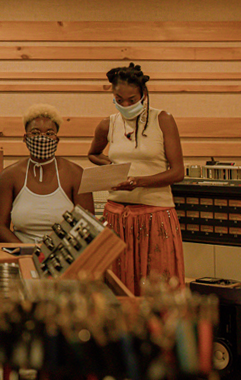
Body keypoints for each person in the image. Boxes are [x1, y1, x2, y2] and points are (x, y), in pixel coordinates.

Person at [87, 62, 185, 296]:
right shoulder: (107, 123)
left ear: (144, 95)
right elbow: (93, 154)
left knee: (158, 288)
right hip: (116, 217)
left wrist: (137, 181)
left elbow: (178, 172)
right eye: (119, 99)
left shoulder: (163, 119)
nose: (126, 105)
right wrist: (111, 167)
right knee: (118, 287)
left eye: (132, 100)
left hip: (155, 214)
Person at [0, 104, 94, 244]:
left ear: (57, 140)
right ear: (25, 138)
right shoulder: (8, 176)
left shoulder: (76, 174)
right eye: (35, 133)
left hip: (64, 255)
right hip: (21, 252)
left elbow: (87, 224)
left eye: (49, 133)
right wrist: (25, 251)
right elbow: (0, 227)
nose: (42, 138)